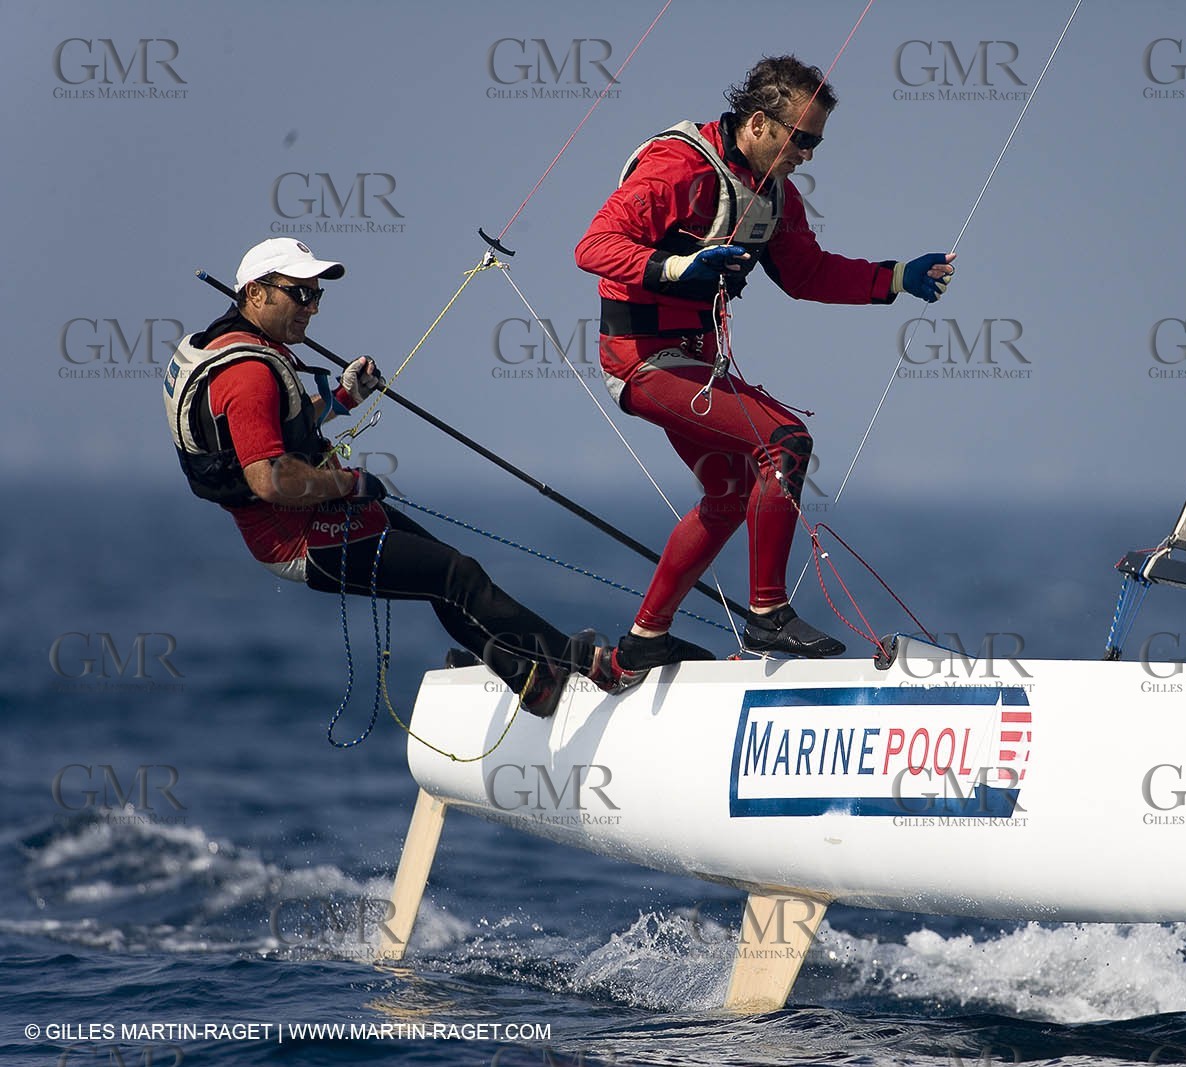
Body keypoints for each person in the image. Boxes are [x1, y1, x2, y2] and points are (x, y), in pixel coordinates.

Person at [575, 54, 955, 684]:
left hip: (694, 363)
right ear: (758, 124)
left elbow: (806, 274)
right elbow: (592, 246)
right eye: (801, 139)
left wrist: (895, 278)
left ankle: (638, 647)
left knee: (726, 498)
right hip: (642, 361)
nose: (809, 154)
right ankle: (768, 612)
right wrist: (678, 269)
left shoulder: (774, 196)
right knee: (785, 441)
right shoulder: (678, 169)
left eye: (815, 142)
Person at [164, 237, 627, 715]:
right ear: (255, 294)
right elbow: (268, 477)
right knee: (455, 575)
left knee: (447, 573)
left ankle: (532, 682)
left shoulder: (234, 347)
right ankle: (589, 664)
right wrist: (348, 484)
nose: (312, 308)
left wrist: (343, 398)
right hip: (301, 539)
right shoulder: (248, 374)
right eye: (299, 294)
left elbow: (281, 431)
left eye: (317, 294)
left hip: (318, 519)